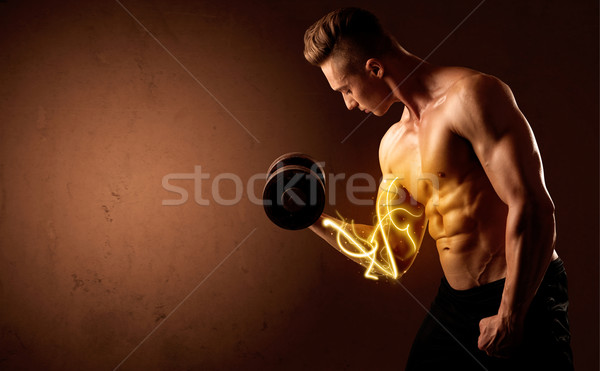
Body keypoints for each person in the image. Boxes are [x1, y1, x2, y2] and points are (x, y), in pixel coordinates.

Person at [303, 7, 573, 370]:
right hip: (456, 305)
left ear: (375, 69)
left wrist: (511, 315)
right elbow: (388, 258)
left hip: (526, 291)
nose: (349, 103)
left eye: (347, 89)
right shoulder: (393, 145)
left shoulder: (473, 97)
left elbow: (533, 206)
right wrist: (312, 218)